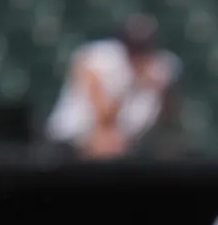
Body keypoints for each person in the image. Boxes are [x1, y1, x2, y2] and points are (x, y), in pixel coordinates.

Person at [44, 14, 182, 159]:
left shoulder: (162, 67)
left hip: (124, 148)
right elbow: (103, 117)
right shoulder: (98, 59)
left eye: (142, 48)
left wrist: (164, 91)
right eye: (133, 48)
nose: (137, 54)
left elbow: (169, 116)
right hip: (72, 142)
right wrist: (133, 82)